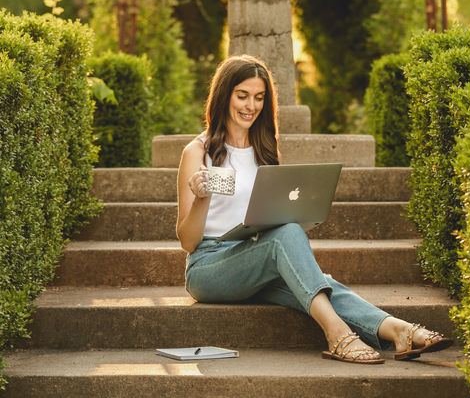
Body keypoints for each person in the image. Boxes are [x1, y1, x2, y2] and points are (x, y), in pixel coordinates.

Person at [176, 54, 453, 364]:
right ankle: (337, 335)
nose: (250, 106)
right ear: (224, 95)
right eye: (242, 96)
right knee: (288, 239)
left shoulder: (264, 151)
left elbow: (268, 220)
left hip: (256, 258)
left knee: (320, 285)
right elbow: (188, 242)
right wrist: (202, 198)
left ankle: (399, 332)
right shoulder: (198, 152)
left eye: (259, 98)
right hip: (209, 268)